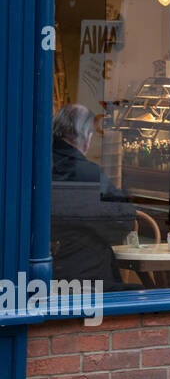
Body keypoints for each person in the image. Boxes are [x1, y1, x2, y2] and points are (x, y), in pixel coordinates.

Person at [50, 104, 132, 289]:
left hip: (35, 280)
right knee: (141, 297)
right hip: (83, 281)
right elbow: (123, 222)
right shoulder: (90, 174)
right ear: (88, 137)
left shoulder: (35, 166)